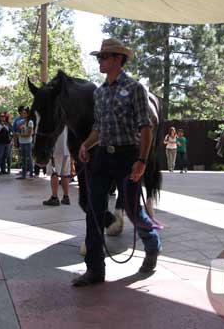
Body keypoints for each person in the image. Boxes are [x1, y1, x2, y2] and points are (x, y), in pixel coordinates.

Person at [74, 38, 161, 287]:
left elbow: (146, 127)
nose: (99, 61)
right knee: (94, 210)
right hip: (102, 156)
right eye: (98, 57)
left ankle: (152, 244)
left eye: (103, 57)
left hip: (128, 155)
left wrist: (142, 160)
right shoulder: (99, 93)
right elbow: (98, 128)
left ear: (117, 59)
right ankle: (94, 269)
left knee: (133, 210)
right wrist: (85, 145)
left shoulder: (135, 88)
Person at [42, 127, 71, 206]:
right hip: (67, 149)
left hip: (56, 149)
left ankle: (54, 197)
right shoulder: (67, 118)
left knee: (54, 174)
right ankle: (66, 197)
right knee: (65, 174)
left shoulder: (53, 118)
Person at [16, 108, 34, 179]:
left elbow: (30, 134)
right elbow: (17, 129)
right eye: (22, 113)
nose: (23, 114)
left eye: (24, 113)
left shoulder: (30, 122)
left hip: (28, 142)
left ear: (27, 114)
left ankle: (31, 174)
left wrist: (20, 135)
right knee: (23, 158)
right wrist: (19, 127)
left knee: (29, 157)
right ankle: (23, 174)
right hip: (21, 142)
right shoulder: (20, 121)